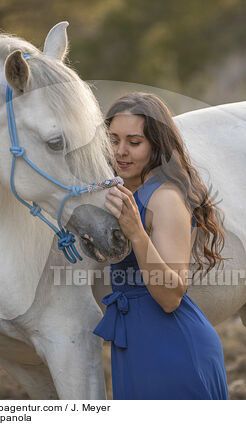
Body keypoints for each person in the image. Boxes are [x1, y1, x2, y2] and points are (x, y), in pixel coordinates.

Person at [93, 92, 229, 400]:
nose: (120, 152)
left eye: (134, 142)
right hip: (134, 344)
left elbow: (170, 296)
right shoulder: (125, 190)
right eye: (113, 140)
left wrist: (137, 234)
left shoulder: (165, 197)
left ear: (156, 145)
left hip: (172, 349)